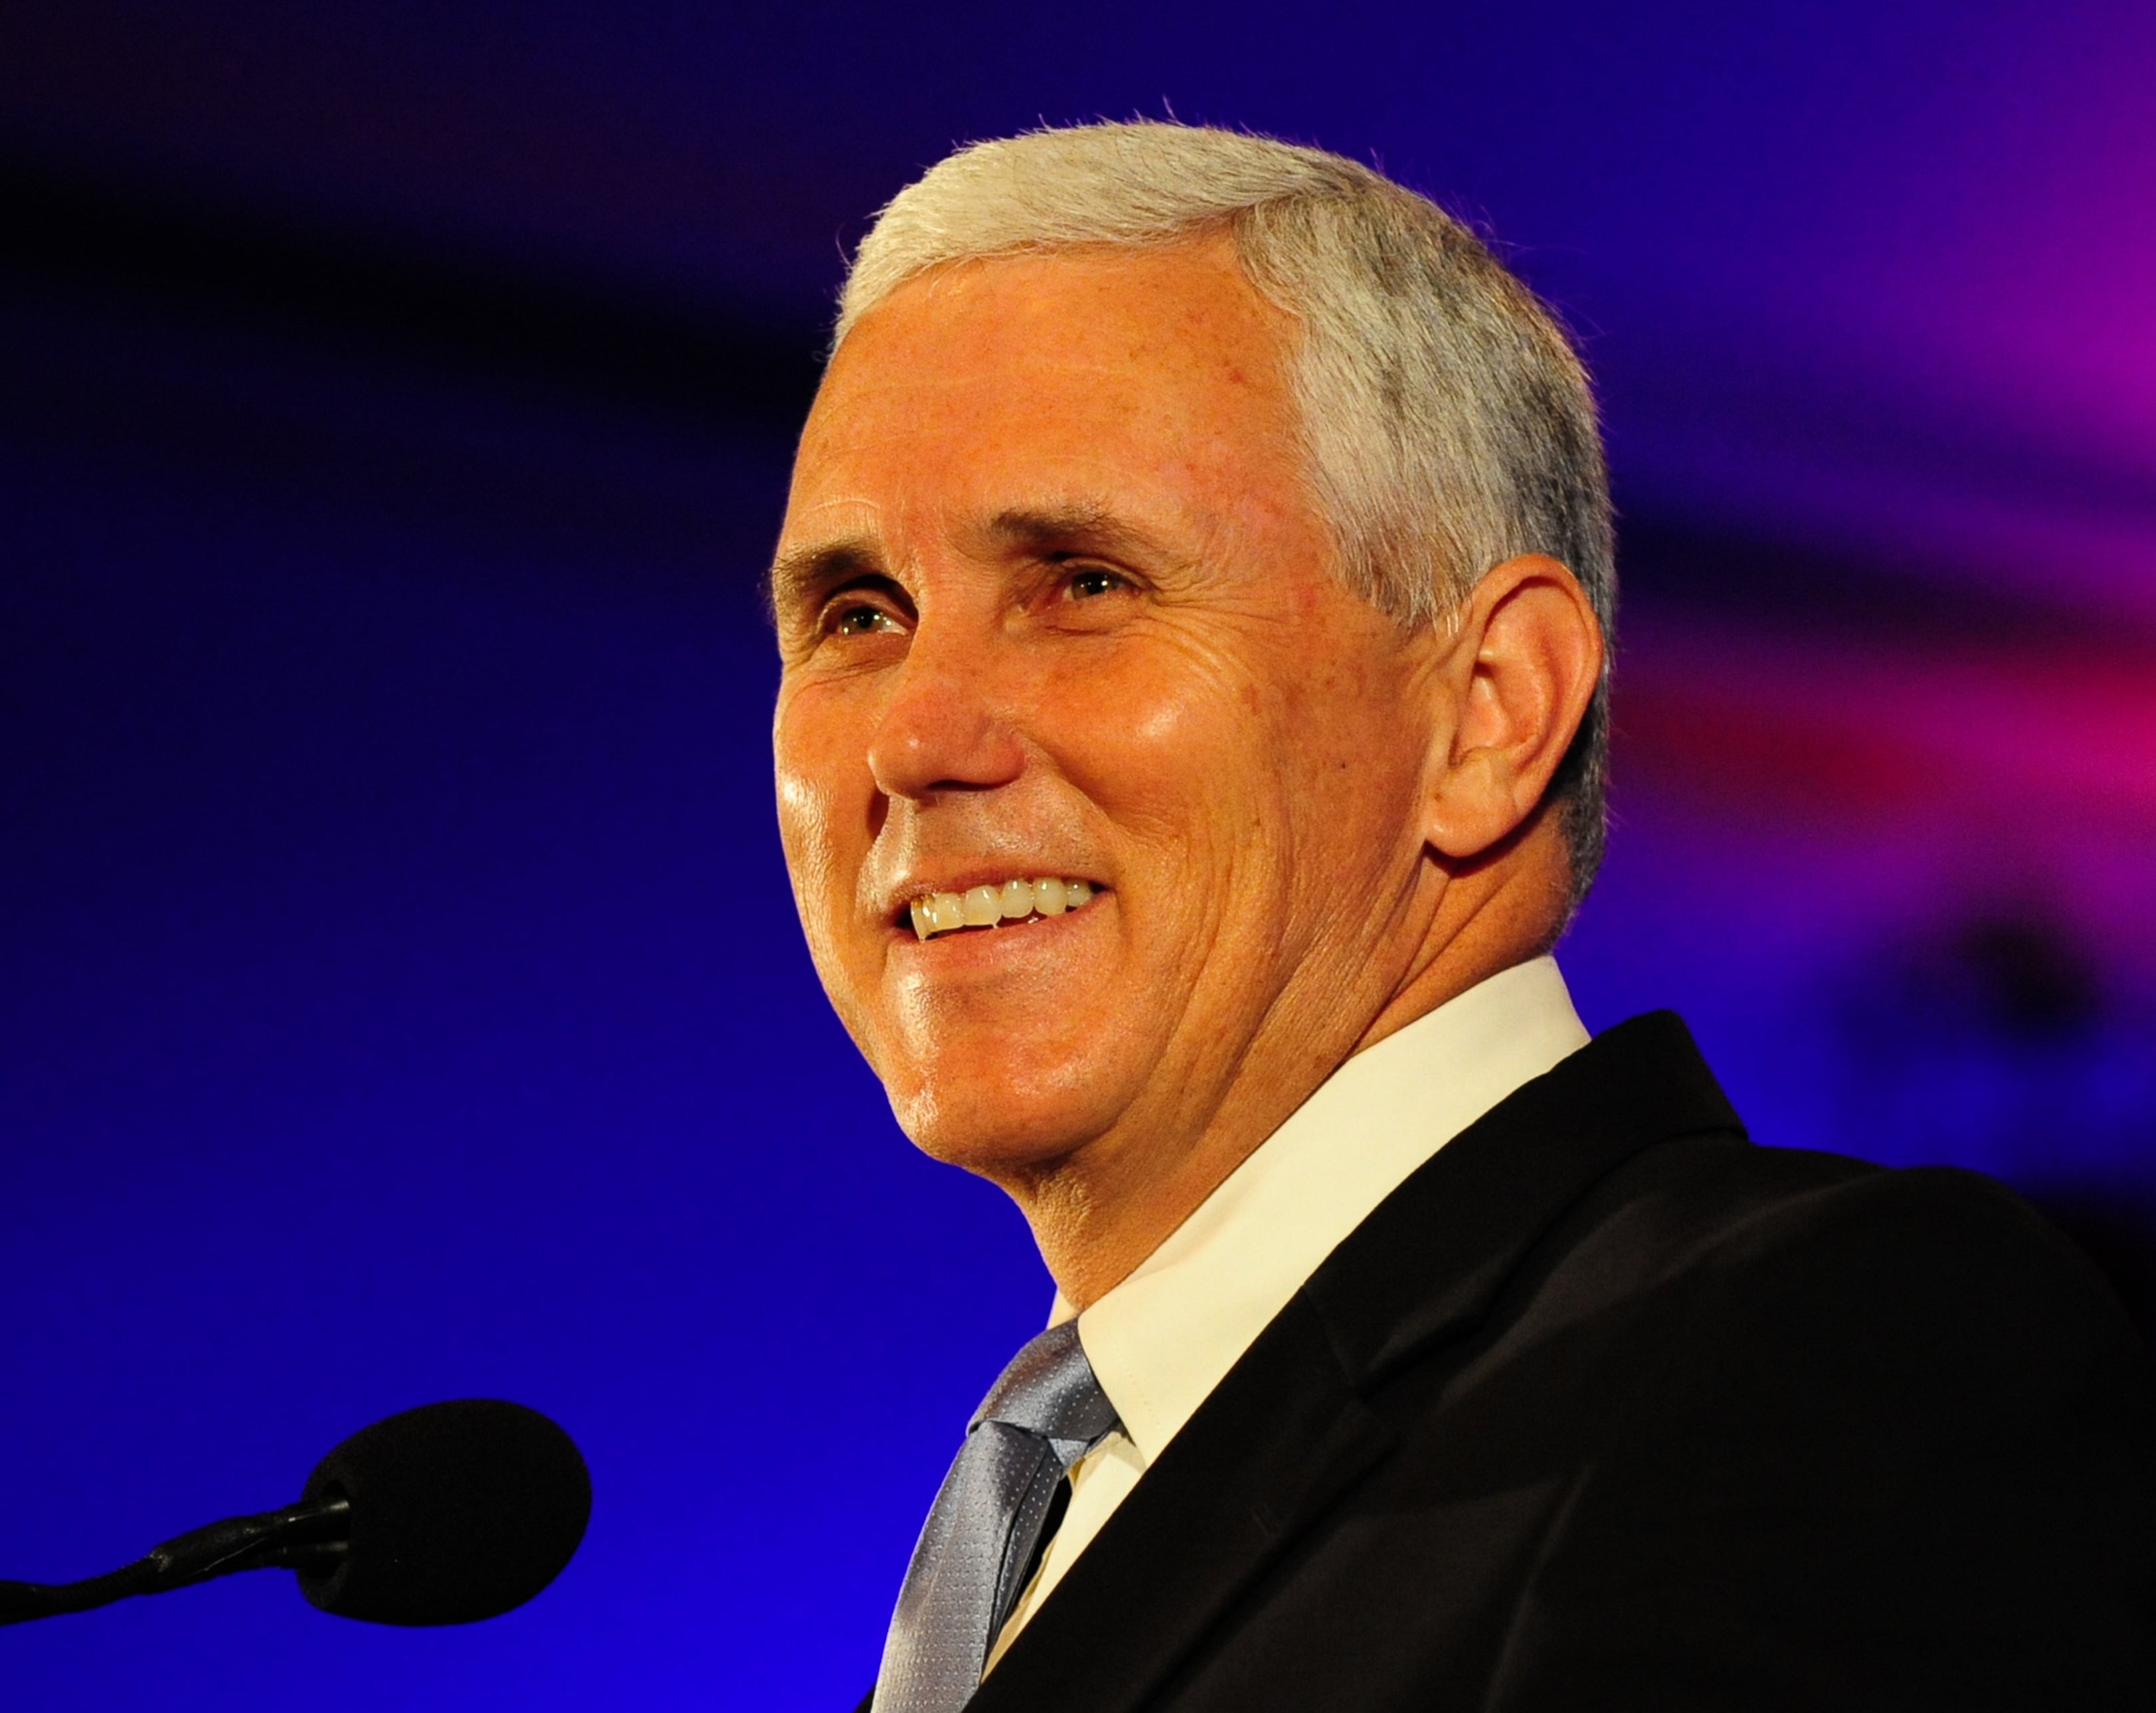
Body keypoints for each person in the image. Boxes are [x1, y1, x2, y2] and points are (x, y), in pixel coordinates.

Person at [765, 122, 2156, 1712]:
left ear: (1489, 708)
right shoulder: (1066, 1497)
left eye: (1085, 582)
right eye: (856, 614)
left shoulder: (1812, 1353)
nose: (912, 736)